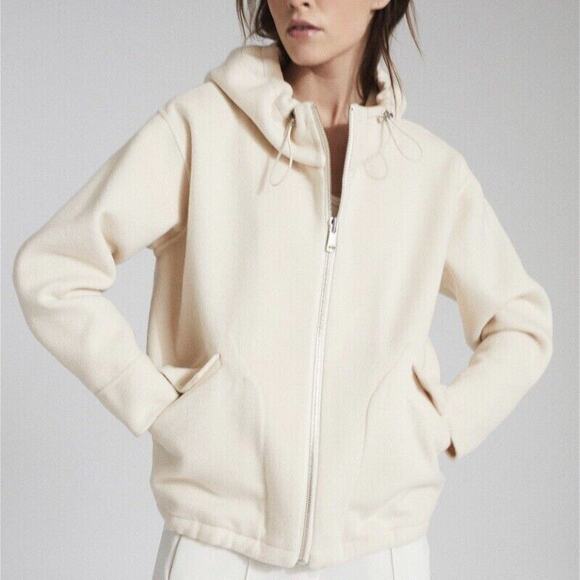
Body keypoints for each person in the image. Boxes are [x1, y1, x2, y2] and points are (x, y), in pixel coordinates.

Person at [12, 1, 554, 579]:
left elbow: (520, 324)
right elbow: (54, 268)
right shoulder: (201, 130)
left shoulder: (430, 172)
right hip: (217, 547)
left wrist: (438, 422)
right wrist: (158, 403)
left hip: (381, 553)